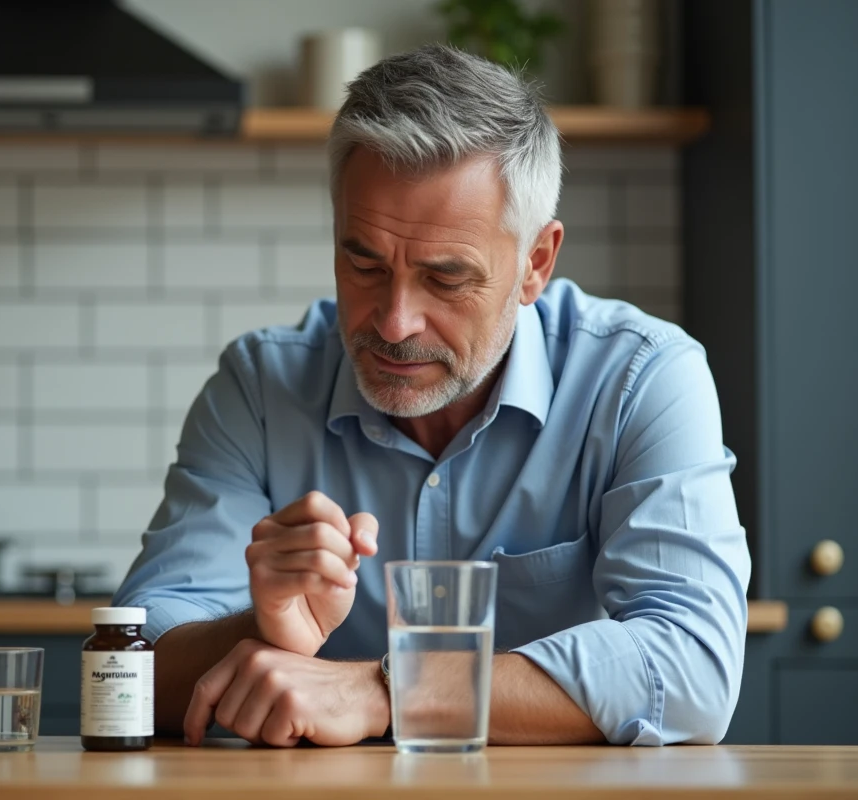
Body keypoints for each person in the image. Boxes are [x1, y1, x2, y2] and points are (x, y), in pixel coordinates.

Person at [110, 44, 750, 748]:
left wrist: (388, 689)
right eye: (363, 264)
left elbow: (694, 669)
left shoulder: (641, 379)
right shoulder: (262, 388)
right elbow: (129, 665)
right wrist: (264, 629)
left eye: (446, 279)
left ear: (535, 263)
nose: (394, 323)